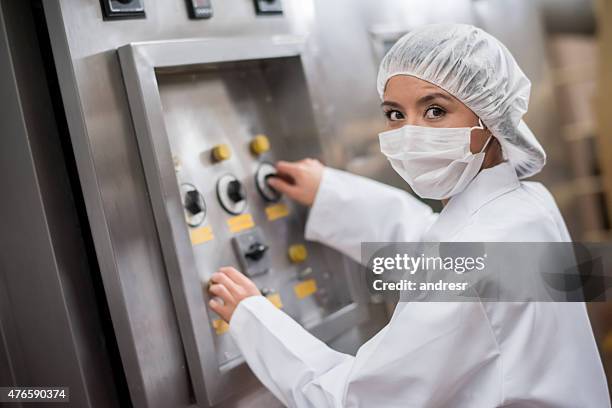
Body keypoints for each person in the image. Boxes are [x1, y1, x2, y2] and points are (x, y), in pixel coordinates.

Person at [208, 24, 610, 407]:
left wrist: (252, 318)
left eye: (435, 111)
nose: (409, 134)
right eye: (395, 114)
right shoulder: (527, 205)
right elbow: (438, 252)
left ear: (490, 115)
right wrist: (330, 193)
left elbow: (354, 401)